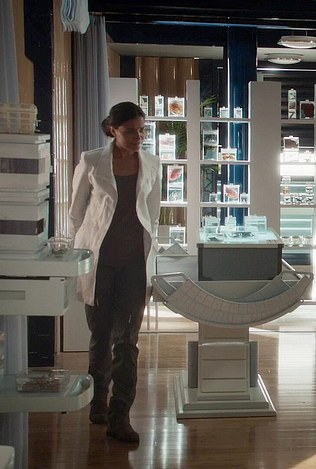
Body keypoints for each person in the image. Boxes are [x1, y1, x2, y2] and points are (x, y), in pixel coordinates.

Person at [69, 102, 161, 443]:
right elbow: (76, 212)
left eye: (142, 130)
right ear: (112, 130)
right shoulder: (92, 161)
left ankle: (120, 414)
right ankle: (98, 400)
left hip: (134, 264)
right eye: (130, 131)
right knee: (101, 334)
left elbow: (152, 214)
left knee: (127, 341)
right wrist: (82, 250)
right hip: (99, 263)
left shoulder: (152, 163)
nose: (138, 137)